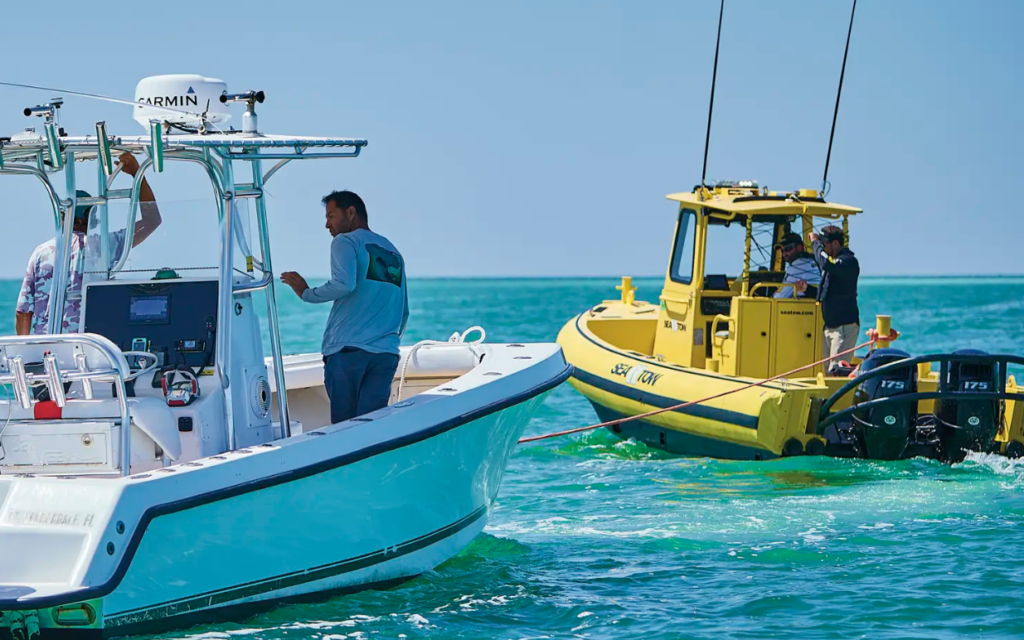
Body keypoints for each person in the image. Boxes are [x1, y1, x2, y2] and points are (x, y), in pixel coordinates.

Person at [281, 190, 409, 424]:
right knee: (371, 430)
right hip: (386, 354)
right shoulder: (392, 251)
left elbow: (343, 284)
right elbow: (405, 311)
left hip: (349, 353)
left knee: (344, 430)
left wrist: (306, 293)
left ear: (350, 212)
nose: (327, 225)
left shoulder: (345, 241)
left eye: (331, 216)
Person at [15, 152, 162, 335]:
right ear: (91, 219)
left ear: (64, 217)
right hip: (87, 347)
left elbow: (23, 312)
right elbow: (152, 220)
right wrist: (137, 174)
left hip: (46, 348)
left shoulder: (40, 253)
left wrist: (27, 353)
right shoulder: (103, 246)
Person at [811, 225, 860, 367]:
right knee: (829, 372)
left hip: (844, 328)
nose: (823, 248)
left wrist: (815, 243)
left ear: (836, 244)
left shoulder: (848, 262)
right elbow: (828, 291)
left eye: (824, 245)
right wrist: (807, 289)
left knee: (837, 370)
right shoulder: (833, 264)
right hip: (830, 328)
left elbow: (826, 262)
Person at [773, 232, 821, 299]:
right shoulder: (810, 260)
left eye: (788, 248)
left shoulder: (799, 265)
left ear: (799, 248)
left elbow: (780, 297)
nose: (784, 253)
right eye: (782, 250)